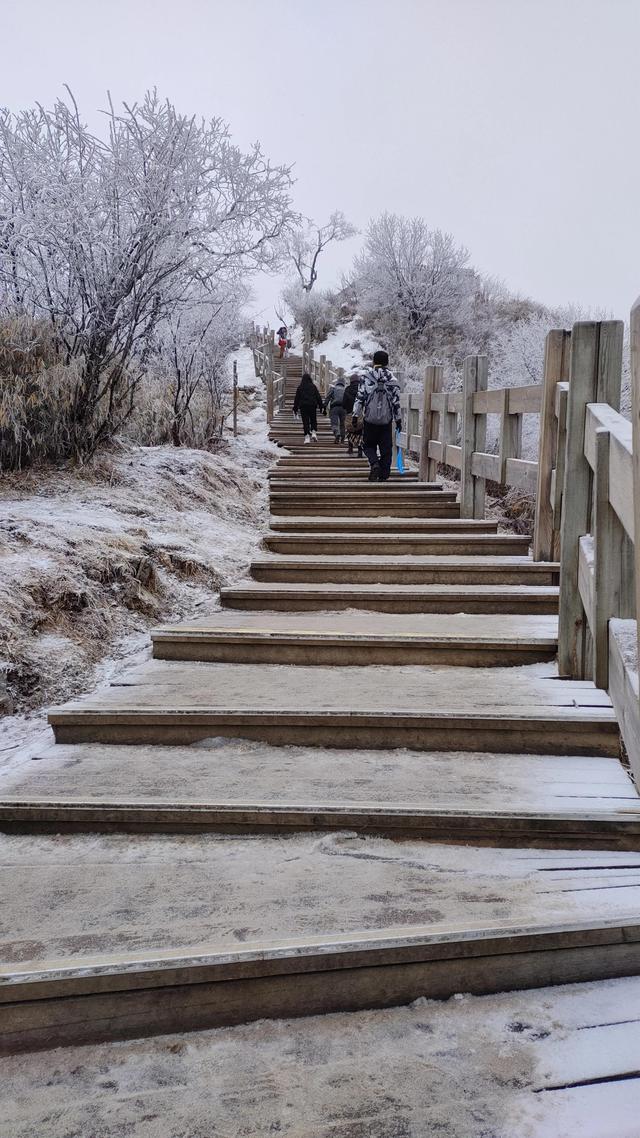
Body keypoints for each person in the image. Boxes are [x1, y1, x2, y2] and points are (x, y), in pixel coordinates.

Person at [352, 349, 401, 481]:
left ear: (374, 361)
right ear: (387, 362)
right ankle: (384, 474)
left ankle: (374, 464)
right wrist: (399, 420)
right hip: (386, 421)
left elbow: (360, 397)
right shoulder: (393, 379)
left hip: (370, 420)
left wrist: (355, 416)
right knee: (386, 448)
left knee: (368, 445)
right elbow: (396, 402)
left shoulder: (366, 377)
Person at [293, 372, 324, 443]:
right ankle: (313, 432)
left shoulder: (300, 387)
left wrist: (295, 408)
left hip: (303, 406)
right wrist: (321, 405)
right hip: (312, 405)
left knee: (305, 421)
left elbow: (297, 399)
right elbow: (318, 396)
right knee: (313, 419)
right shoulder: (313, 386)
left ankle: (307, 437)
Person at [342, 371, 363, 457]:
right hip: (360, 414)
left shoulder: (347, 389)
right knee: (360, 432)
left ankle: (350, 448)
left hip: (349, 413)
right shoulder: (361, 389)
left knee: (349, 430)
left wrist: (346, 408)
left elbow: (343, 403)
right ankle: (359, 450)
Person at [323, 374, 347, 443]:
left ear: (337, 382)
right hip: (343, 408)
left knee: (334, 423)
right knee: (342, 424)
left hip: (334, 408)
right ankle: (342, 438)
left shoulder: (333, 389)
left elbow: (328, 398)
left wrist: (324, 407)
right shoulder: (345, 390)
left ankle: (337, 434)